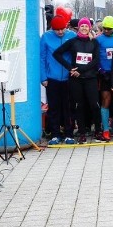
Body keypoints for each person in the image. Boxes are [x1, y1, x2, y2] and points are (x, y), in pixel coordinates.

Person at [53, 18, 101, 144]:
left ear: (90, 28)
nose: (84, 28)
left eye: (86, 26)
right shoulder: (73, 41)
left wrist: (81, 69)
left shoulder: (94, 42)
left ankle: (98, 131)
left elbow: (96, 60)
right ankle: (82, 133)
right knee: (79, 106)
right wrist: (70, 68)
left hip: (90, 77)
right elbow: (57, 54)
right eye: (82, 26)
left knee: (94, 105)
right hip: (76, 79)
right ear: (78, 28)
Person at [40, 14, 77, 145]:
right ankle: (55, 134)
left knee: (68, 107)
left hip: (68, 78)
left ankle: (69, 133)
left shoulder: (72, 36)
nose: (60, 32)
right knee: (54, 107)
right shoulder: (46, 37)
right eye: (57, 30)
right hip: (52, 78)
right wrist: (43, 77)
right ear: (52, 28)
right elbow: (42, 58)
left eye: (62, 29)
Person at [96, 16, 113, 141]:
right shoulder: (98, 39)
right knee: (106, 100)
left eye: (109, 29)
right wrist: (101, 70)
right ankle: (105, 129)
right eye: (104, 28)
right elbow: (95, 57)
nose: (106, 30)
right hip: (104, 73)